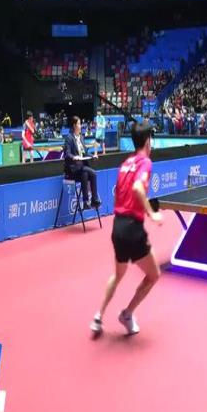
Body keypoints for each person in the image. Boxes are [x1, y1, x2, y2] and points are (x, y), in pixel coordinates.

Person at [90, 124, 163, 336]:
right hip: (132, 229)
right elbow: (138, 188)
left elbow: (118, 196)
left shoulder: (125, 164)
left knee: (118, 274)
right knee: (154, 275)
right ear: (147, 141)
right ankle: (127, 313)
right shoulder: (145, 162)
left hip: (118, 226)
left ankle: (98, 317)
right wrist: (152, 214)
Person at [63, 116, 101, 210]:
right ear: (74, 125)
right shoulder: (69, 138)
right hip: (73, 169)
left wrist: (92, 156)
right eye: (79, 124)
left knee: (85, 173)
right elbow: (67, 153)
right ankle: (94, 200)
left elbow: (85, 153)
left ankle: (86, 202)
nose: (81, 126)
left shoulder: (81, 137)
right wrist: (74, 157)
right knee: (92, 173)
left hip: (82, 168)